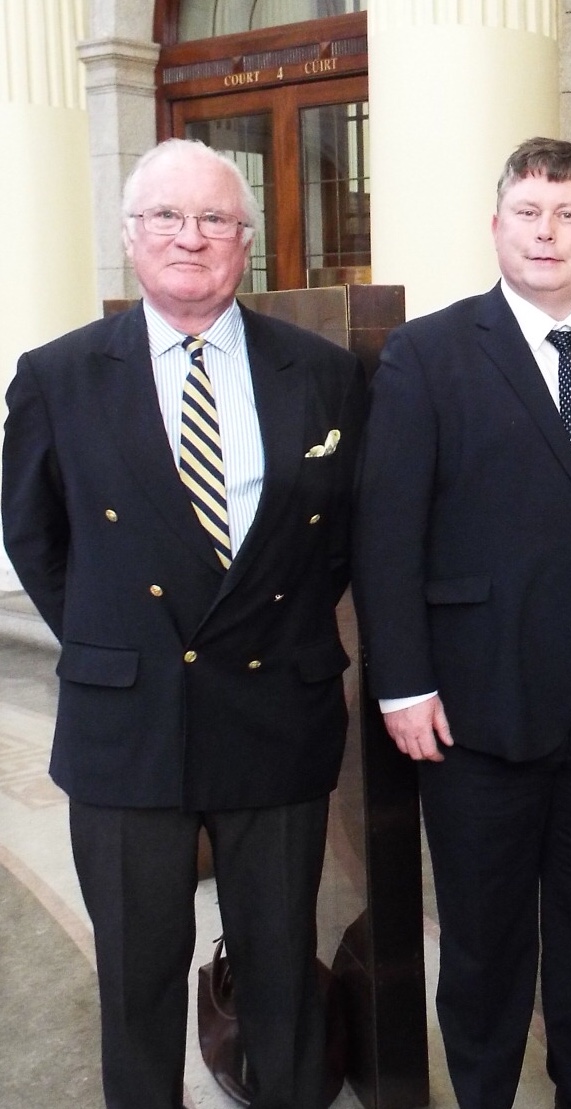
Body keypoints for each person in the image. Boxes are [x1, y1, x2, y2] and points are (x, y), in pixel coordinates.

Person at [1, 137, 365, 1109]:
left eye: (214, 218)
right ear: (129, 235)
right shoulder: (58, 376)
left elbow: (339, 537)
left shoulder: (325, 376)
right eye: (165, 216)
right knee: (139, 981)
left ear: (246, 241)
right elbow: (34, 534)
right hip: (128, 731)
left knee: (283, 972)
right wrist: (113, 642)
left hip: (275, 717)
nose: (190, 236)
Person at [351, 137, 571, 1109]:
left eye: (568, 213)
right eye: (528, 212)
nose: (546, 232)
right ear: (496, 225)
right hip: (475, 713)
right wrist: (402, 682)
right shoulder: (429, 353)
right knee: (486, 950)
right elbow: (387, 531)